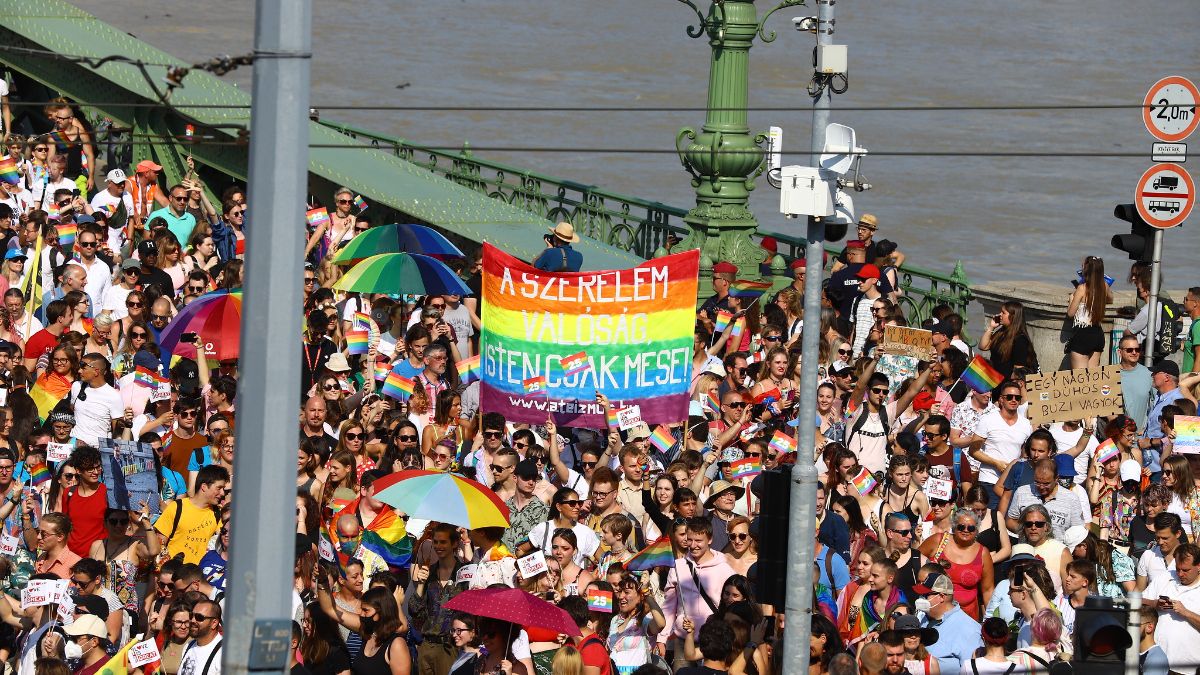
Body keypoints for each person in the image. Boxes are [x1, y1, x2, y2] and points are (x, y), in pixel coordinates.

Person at [915, 572, 981, 675]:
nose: (921, 598)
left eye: (925, 595)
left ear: (941, 597)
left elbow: (973, 671)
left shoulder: (969, 630)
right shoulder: (922, 618)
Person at [1064, 255, 1112, 369]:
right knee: (1092, 380)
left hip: (1082, 335)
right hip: (1098, 335)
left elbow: (1071, 313)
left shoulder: (1082, 288)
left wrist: (1071, 299)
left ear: (1086, 270)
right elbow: (1110, 299)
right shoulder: (1104, 286)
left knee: (1080, 381)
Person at [978, 302, 1036, 379]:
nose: (999, 315)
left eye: (1003, 313)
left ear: (1013, 316)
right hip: (994, 379)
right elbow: (983, 346)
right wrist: (991, 327)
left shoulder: (1020, 340)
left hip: (1005, 383)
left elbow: (1018, 370)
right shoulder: (1001, 332)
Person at [179, 600, 224, 675]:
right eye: (191, 615)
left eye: (199, 617)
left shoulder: (223, 653)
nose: (193, 620)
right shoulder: (188, 646)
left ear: (214, 623)